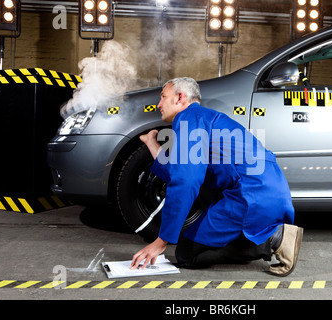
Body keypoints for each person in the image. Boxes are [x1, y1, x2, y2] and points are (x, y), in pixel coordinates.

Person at [130, 77, 303, 276]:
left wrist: (162, 241)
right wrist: (151, 141)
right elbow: (179, 171)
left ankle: (273, 236)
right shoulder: (204, 118)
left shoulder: (189, 119)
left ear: (180, 98)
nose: (159, 104)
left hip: (251, 195)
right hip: (265, 189)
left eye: (162, 97)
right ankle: (258, 232)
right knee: (202, 202)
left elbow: (186, 181)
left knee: (187, 254)